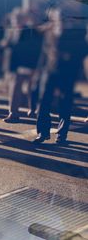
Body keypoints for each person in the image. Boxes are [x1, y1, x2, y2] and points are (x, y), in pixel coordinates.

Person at [34, 13, 88, 144]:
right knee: (43, 100)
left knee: (65, 102)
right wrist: (38, 71)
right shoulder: (49, 33)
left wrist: (66, 55)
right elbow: (43, 53)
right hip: (48, 70)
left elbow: (83, 51)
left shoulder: (76, 33)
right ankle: (42, 132)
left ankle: (61, 135)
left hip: (67, 71)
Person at [2, 10, 42, 123]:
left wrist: (32, 66)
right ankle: (13, 113)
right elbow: (8, 45)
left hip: (27, 64)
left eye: (18, 19)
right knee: (15, 88)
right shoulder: (11, 31)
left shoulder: (30, 31)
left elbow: (33, 49)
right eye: (14, 19)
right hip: (15, 65)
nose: (16, 21)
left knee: (31, 88)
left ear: (24, 19)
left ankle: (33, 109)